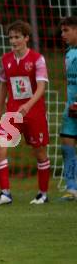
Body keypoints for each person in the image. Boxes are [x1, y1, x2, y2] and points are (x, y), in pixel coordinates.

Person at [0, 20, 50, 206]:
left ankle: (43, 194)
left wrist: (29, 105)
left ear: (26, 38)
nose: (13, 41)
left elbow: (41, 87)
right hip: (13, 112)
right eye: (10, 38)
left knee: (40, 153)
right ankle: (5, 194)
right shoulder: (5, 60)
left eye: (17, 37)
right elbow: (3, 85)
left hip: (34, 112)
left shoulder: (37, 59)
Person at [59, 16, 77, 201]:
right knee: (66, 144)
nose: (63, 34)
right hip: (71, 108)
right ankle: (72, 189)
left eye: (67, 30)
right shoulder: (69, 52)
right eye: (62, 31)